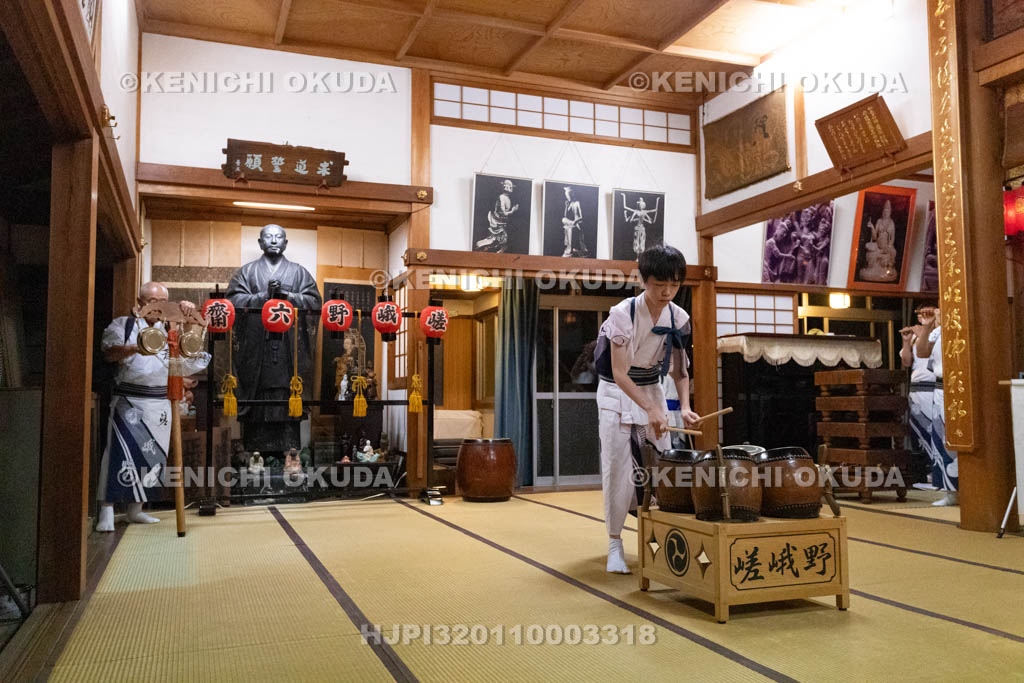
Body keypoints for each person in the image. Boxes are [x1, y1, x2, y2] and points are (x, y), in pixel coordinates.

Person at [595, 245, 700, 573]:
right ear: (644, 280)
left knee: (663, 465)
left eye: (674, 284)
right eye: (659, 284)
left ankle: (661, 539)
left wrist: (683, 407)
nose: (667, 291)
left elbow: (681, 371)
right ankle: (615, 544)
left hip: (652, 387)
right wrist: (651, 409)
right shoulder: (622, 314)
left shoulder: (679, 319)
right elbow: (619, 373)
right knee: (617, 464)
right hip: (616, 392)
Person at [96, 282, 210, 532]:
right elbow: (107, 353)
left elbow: (188, 365)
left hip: (160, 403)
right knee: (119, 454)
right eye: (151, 301)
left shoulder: (171, 329)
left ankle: (136, 510)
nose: (156, 307)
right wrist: (138, 347)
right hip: (130, 403)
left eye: (162, 302)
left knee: (153, 456)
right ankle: (107, 509)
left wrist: (189, 323)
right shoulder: (123, 325)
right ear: (139, 302)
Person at [227, 224, 322, 453]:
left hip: (289, 350)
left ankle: (289, 453)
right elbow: (232, 303)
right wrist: (263, 297)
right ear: (260, 243)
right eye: (267, 237)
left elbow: (315, 302)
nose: (273, 241)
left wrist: (287, 296)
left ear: (285, 243)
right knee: (257, 396)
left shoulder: (299, 273)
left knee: (287, 392)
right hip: (257, 348)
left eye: (278, 237)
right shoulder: (246, 272)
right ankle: (254, 452)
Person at [916, 307, 958, 505]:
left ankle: (961, 488)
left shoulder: (960, 327)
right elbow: (922, 351)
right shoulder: (938, 331)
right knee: (940, 437)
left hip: (958, 385)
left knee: (955, 436)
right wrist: (927, 325)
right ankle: (950, 491)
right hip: (940, 387)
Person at [900, 303, 937, 488]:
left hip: (933, 387)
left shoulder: (937, 333)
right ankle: (923, 472)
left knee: (934, 430)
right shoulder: (914, 336)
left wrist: (925, 330)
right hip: (916, 388)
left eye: (929, 313)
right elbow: (907, 362)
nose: (925, 316)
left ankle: (934, 472)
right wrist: (907, 341)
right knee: (917, 430)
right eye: (922, 313)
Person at [477, 179, 519, 252]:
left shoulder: (507, 198)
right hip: (498, 223)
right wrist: (513, 210)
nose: (511, 188)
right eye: (510, 187)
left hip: (503, 223)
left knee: (503, 242)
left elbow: (505, 213)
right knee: (496, 240)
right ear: (506, 187)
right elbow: (503, 213)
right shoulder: (501, 197)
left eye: (511, 187)